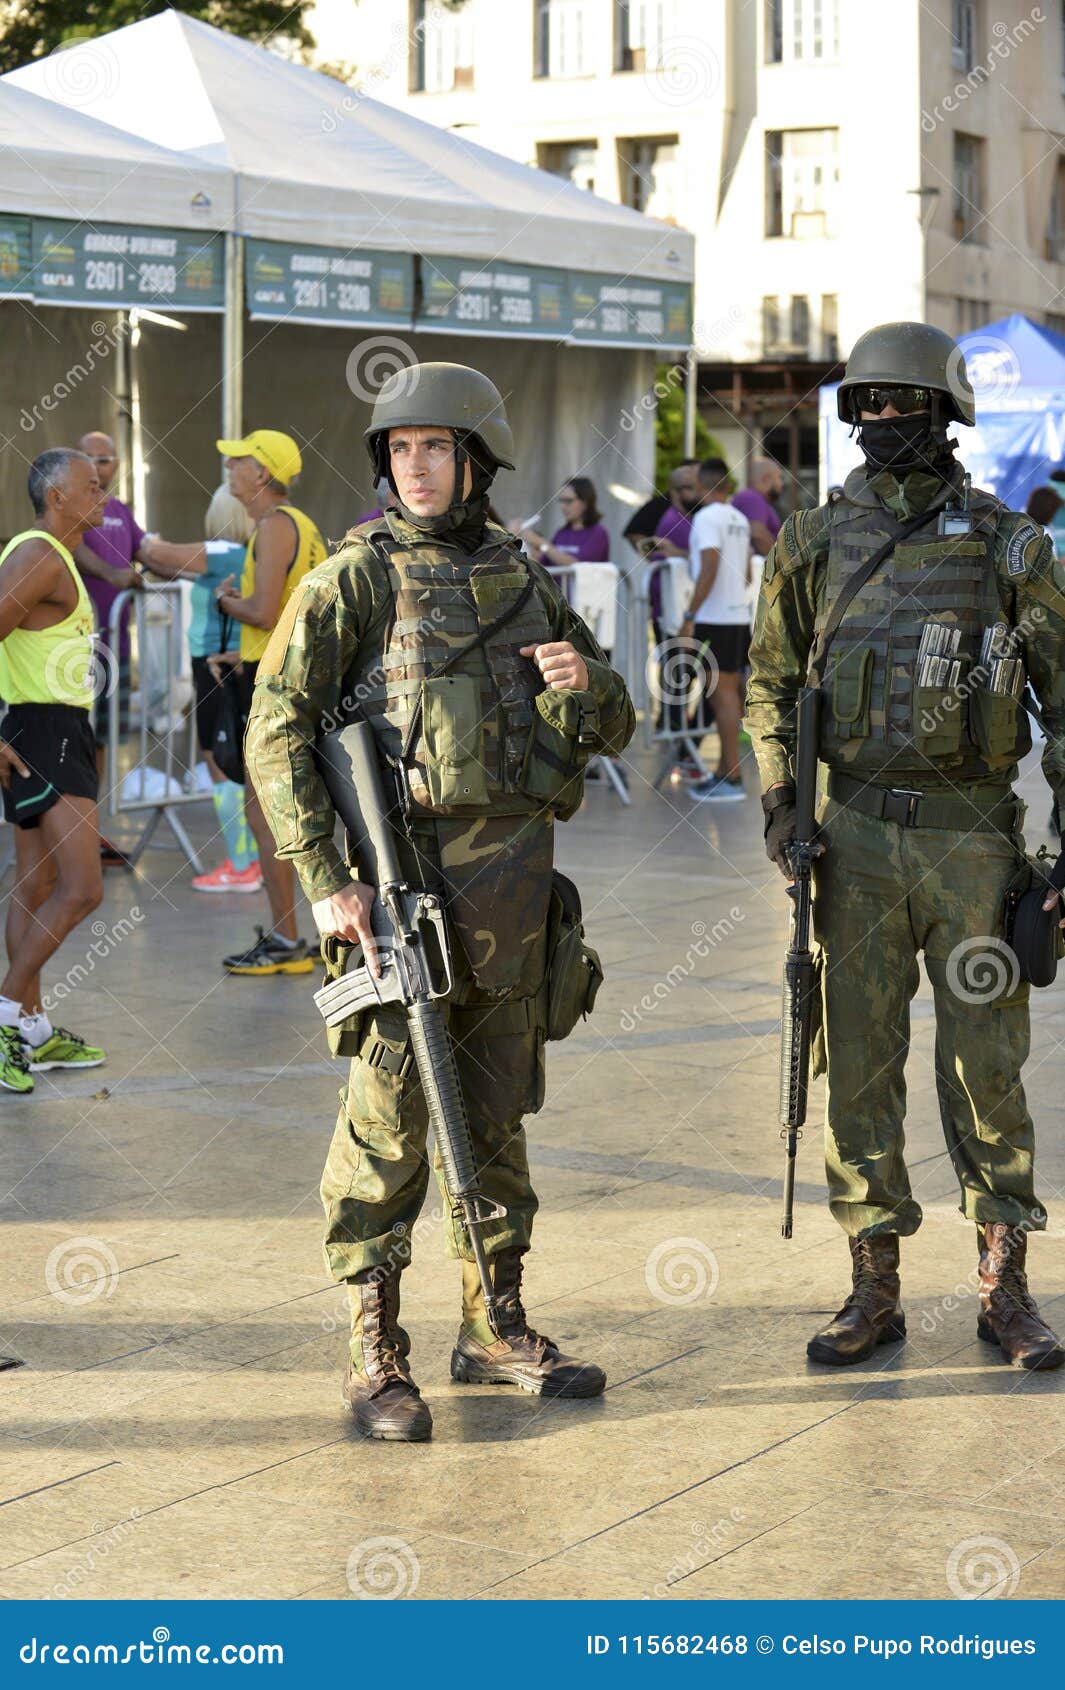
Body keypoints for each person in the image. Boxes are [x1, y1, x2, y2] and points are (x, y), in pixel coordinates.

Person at [245, 361, 635, 1443]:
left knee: (499, 1113)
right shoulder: (353, 581)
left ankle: (494, 1322)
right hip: (399, 898)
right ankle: (375, 1347)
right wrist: (327, 882)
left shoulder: (527, 576)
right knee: (388, 1123)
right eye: (399, 448)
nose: (416, 467)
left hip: (512, 896)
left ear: (476, 460)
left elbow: (616, 723)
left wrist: (587, 687)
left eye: (436, 446)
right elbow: (275, 728)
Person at [747, 320, 1065, 1372]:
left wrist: (1063, 852)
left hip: (975, 837)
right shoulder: (809, 540)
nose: (883, 423)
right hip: (857, 842)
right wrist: (782, 803)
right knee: (859, 1065)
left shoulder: (1009, 544)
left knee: (988, 1064)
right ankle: (871, 1285)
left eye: (903, 404)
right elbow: (769, 684)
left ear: (944, 413)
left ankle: (1004, 1288)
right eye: (866, 406)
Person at [0, 449, 110, 1094]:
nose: (102, 495)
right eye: (91, 487)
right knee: (84, 888)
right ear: (57, 496)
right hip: (44, 732)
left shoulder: (51, 555)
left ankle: (33, 1030)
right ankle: (8, 1011)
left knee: (35, 885)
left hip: (51, 728)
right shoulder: (38, 555)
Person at [211, 429, 327, 975]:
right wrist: (240, 657)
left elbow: (262, 610)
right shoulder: (291, 525)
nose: (230, 468)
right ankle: (307, 936)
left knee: (266, 814)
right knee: (290, 812)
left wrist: (226, 600)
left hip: (281, 687)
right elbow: (285, 617)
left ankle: (289, 940)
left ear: (263, 474)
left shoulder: (278, 525)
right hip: (290, 677)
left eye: (240, 461)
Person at [72, 431, 214, 866]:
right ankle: (65, 844)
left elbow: (149, 552)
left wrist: (213, 564)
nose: (99, 468)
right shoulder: (71, 507)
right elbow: (67, 546)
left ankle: (89, 835)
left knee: (100, 742)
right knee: (70, 744)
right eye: (90, 459)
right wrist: (112, 576)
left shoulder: (118, 511)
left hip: (116, 647)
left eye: (107, 460)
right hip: (75, 649)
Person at [186, 484, 261, 894]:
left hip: (217, 667)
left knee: (223, 764)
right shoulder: (245, 555)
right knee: (232, 762)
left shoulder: (224, 555)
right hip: (227, 664)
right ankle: (250, 861)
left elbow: (160, 559)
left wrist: (140, 544)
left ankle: (243, 863)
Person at [683, 458, 752, 802]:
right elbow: (748, 574)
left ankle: (733, 777)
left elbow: (709, 567)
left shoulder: (706, 517)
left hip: (715, 618)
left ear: (703, 484)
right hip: (738, 616)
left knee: (721, 695)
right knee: (727, 693)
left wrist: (690, 613)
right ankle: (726, 770)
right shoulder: (738, 518)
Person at [518, 478, 611, 572]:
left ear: (585, 502)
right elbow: (543, 565)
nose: (563, 506)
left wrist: (540, 542)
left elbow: (578, 565)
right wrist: (520, 544)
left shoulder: (598, 533)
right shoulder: (561, 533)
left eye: (568, 501)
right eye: (561, 501)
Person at [732, 456, 784, 557]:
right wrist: (781, 564)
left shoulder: (756, 499)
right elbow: (758, 534)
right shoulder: (752, 498)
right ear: (766, 479)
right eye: (779, 477)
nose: (781, 484)